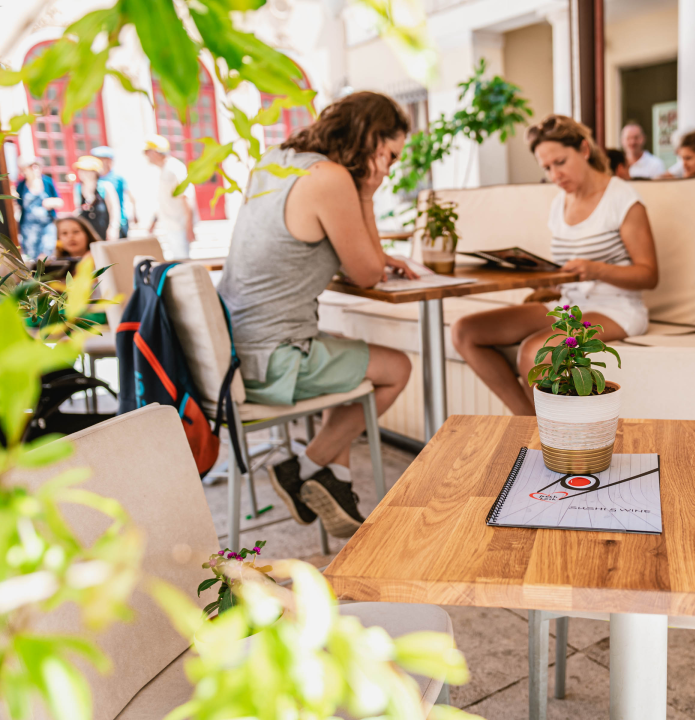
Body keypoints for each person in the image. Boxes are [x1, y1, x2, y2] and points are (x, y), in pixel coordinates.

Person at [217, 91, 417, 539]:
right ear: (370, 138)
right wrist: (366, 192)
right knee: (397, 368)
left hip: (235, 350)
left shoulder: (278, 161)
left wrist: (375, 249)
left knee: (349, 359)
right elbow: (365, 273)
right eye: (390, 155)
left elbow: (356, 260)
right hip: (274, 359)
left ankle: (337, 484)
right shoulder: (332, 179)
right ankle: (303, 470)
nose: (389, 168)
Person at [452, 114, 659, 416]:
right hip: (567, 306)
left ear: (584, 150)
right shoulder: (558, 204)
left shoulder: (623, 199)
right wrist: (544, 279)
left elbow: (649, 275)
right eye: (547, 168)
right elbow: (566, 272)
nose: (554, 175)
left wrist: (595, 269)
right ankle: (529, 423)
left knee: (533, 352)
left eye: (560, 162)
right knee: (465, 332)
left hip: (617, 309)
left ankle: (542, 437)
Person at [143, 135, 196, 259]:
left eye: (147, 152)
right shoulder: (162, 170)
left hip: (180, 225)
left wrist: (189, 227)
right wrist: (154, 223)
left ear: (155, 152)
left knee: (182, 260)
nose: (146, 156)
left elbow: (186, 197)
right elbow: (163, 201)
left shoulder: (174, 168)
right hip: (170, 225)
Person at [15, 157, 63, 261]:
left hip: (47, 224)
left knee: (47, 252)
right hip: (29, 228)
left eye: (36, 166)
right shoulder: (21, 185)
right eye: (31, 167)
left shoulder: (47, 182)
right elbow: (18, 204)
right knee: (32, 255)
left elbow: (60, 201)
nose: (34, 169)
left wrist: (51, 202)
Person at [90, 146, 136, 238]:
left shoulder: (117, 178)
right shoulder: (93, 178)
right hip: (101, 221)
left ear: (108, 160)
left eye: (100, 159)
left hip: (118, 220)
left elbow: (131, 196)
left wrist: (134, 214)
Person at [73, 156, 120, 242]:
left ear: (95, 172)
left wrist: (113, 228)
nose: (82, 173)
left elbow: (114, 209)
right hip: (88, 232)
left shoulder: (105, 187)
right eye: (80, 170)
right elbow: (78, 209)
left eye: (86, 170)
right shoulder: (78, 188)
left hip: (104, 229)